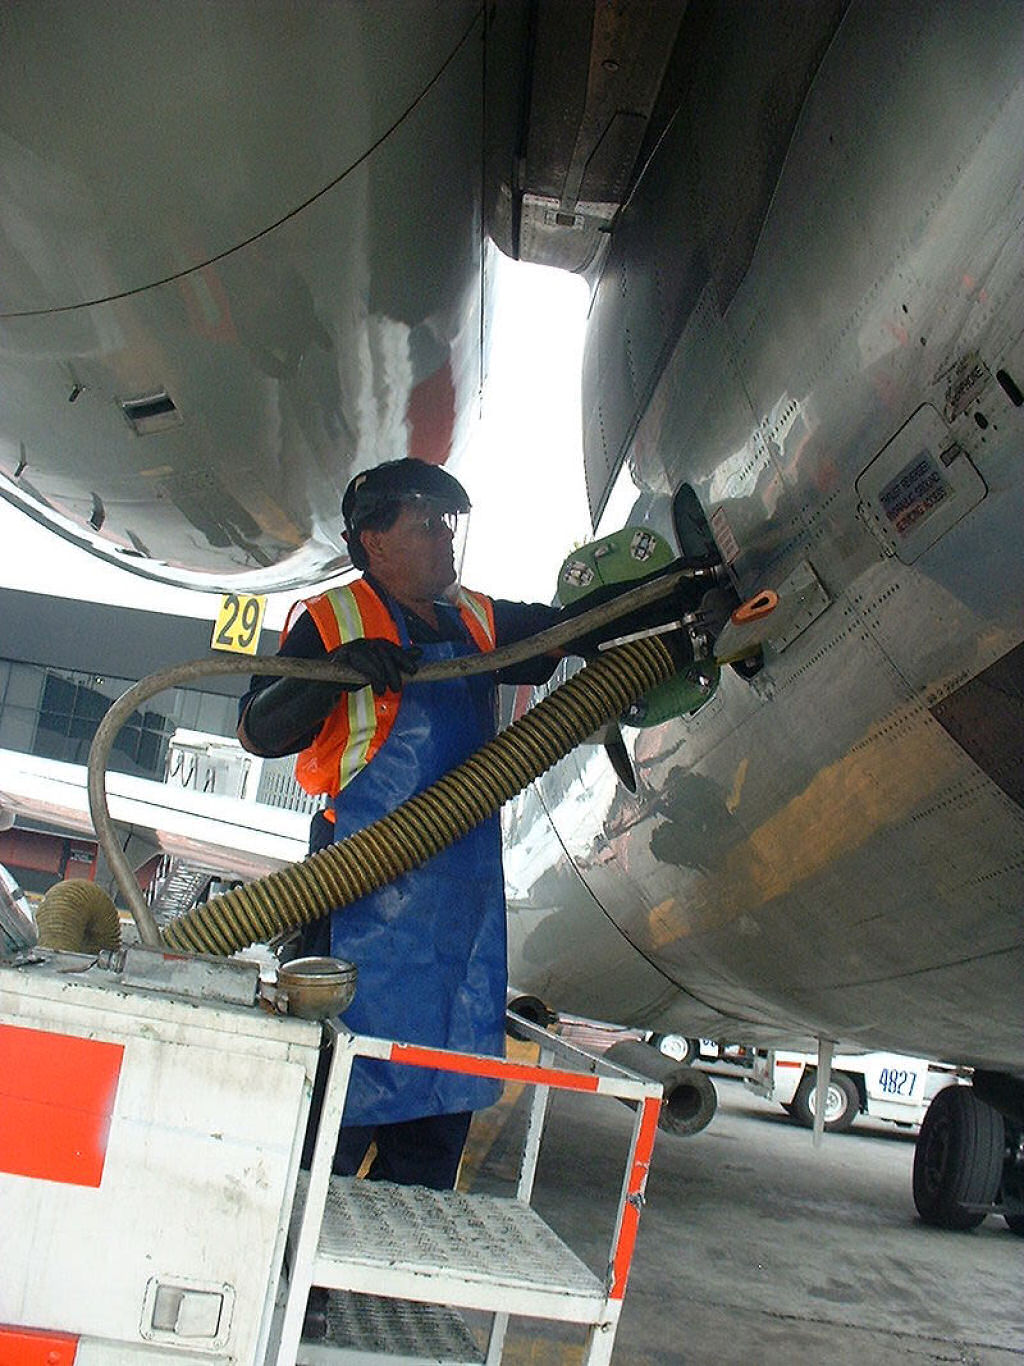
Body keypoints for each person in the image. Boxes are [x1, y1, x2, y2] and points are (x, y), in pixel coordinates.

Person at [238, 458, 685, 1198]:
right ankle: (303, 1296)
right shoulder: (331, 622)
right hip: (357, 909)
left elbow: (570, 629)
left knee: (435, 1129)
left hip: (457, 928)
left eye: (448, 522)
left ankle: (390, 1291)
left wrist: (680, 588)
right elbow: (258, 730)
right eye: (425, 524)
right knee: (330, 1137)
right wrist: (338, 671)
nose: (446, 537)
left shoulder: (474, 619)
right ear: (373, 543)